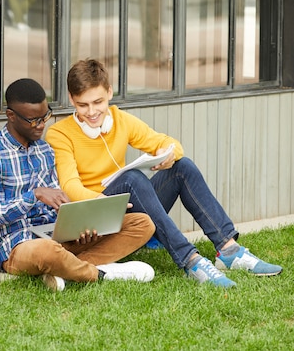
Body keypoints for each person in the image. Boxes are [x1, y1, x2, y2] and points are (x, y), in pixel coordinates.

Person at [46, 59, 283, 288]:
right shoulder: (60, 134)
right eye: (82, 105)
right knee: (132, 179)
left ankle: (229, 250)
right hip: (95, 214)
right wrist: (105, 202)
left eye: (97, 102)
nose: (91, 112)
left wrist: (169, 153)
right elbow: (69, 186)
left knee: (183, 166)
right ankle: (191, 260)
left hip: (125, 209)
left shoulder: (120, 121)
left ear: (109, 92)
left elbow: (167, 143)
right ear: (71, 99)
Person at [0, 78, 156, 292]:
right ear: (11, 116)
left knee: (142, 224)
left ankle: (64, 270)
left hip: (55, 235)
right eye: (33, 120)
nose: (41, 126)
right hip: (17, 245)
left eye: (45, 117)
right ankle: (101, 273)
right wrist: (34, 195)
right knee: (46, 251)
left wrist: (79, 226)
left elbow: (58, 203)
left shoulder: (45, 150)